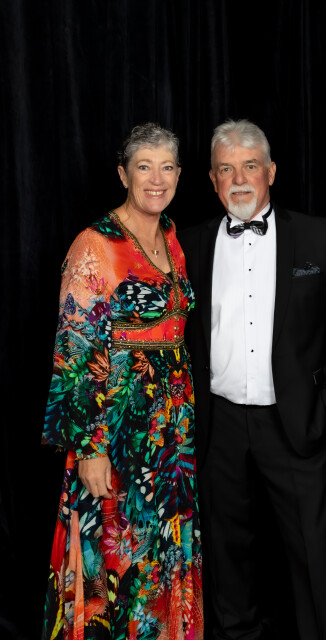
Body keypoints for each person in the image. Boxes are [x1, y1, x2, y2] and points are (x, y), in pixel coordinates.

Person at [179, 119, 326, 640]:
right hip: (218, 425)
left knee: (314, 550)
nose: (239, 179)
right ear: (213, 180)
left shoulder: (317, 236)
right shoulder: (189, 245)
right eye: (226, 169)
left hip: (294, 421)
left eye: (250, 166)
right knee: (226, 552)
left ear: (271, 172)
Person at [41, 123, 203, 640]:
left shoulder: (172, 237)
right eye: (144, 167)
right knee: (118, 553)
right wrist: (90, 447)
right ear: (122, 174)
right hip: (117, 432)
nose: (157, 179)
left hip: (169, 435)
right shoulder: (95, 245)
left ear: (179, 174)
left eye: (167, 167)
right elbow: (75, 352)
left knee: (161, 552)